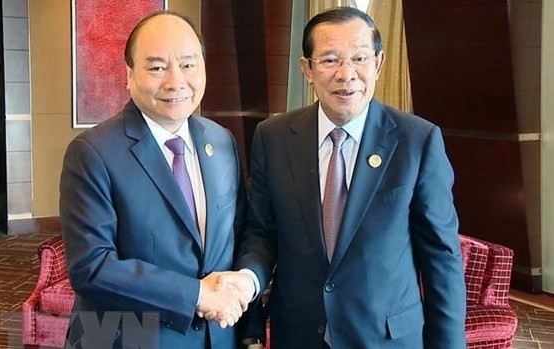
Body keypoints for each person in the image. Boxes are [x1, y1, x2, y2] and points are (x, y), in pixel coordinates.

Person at [225, 6, 467, 349]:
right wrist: (247, 285)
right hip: (298, 333)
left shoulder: (417, 140)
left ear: (379, 64)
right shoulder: (274, 137)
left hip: (387, 337)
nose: (346, 74)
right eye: (329, 60)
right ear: (307, 69)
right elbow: (261, 234)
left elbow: (442, 258)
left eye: (359, 58)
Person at [59, 11, 250, 349]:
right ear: (128, 75)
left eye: (189, 64)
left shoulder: (221, 143)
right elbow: (91, 266)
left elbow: (241, 234)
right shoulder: (92, 152)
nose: (176, 81)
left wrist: (244, 297)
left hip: (215, 338)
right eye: (158, 67)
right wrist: (196, 295)